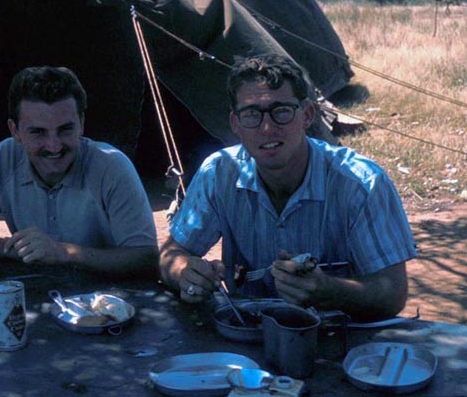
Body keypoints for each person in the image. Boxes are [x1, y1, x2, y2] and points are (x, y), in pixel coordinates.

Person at [159, 55, 416, 320]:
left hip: (338, 339)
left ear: (307, 115)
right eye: (251, 115)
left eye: (281, 112)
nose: (267, 128)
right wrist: (185, 272)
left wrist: (329, 290)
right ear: (235, 124)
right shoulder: (219, 173)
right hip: (246, 335)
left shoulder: (361, 184)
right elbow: (172, 255)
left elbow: (393, 293)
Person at [0, 66, 158, 277]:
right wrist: (17, 249)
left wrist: (65, 253)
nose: (54, 146)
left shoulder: (112, 166)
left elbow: (146, 257)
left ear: (81, 122)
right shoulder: (4, 158)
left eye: (65, 129)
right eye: (38, 132)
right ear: (15, 130)